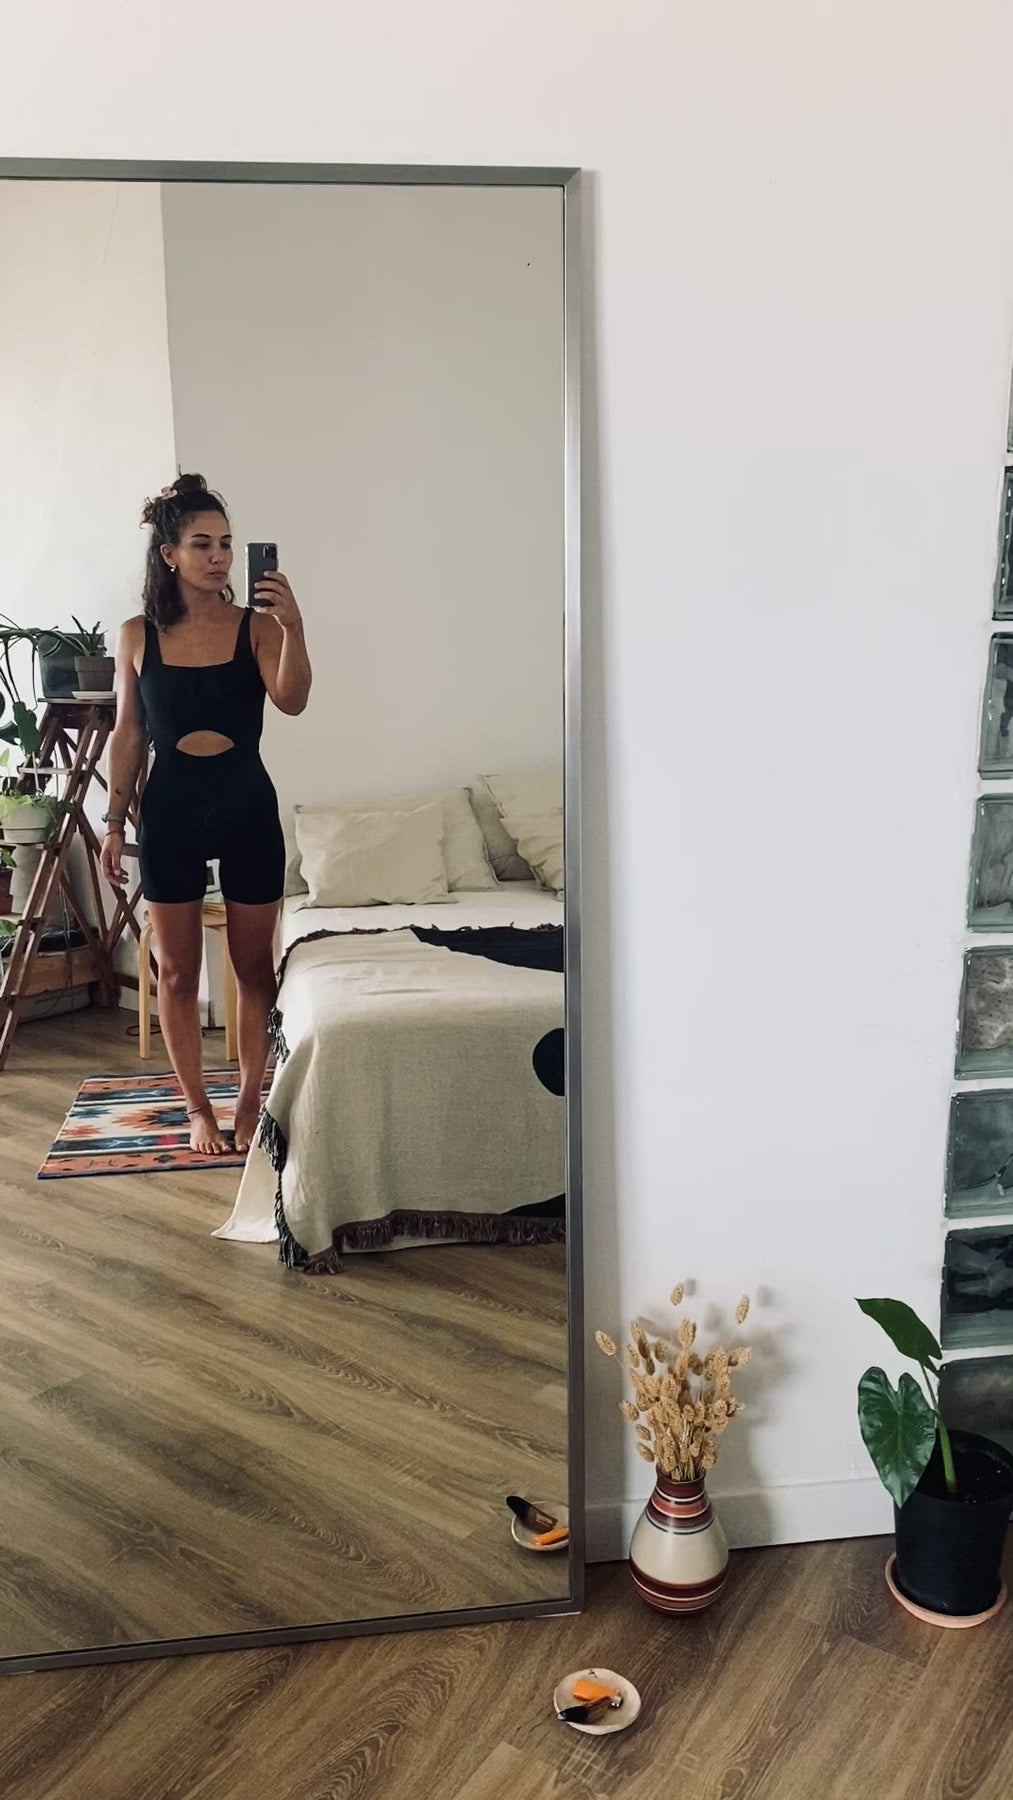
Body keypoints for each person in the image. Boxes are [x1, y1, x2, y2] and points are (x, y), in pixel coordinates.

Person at [101, 475, 312, 1155]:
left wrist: (293, 627)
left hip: (246, 802)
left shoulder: (256, 626)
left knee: (254, 970)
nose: (219, 556)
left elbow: (292, 700)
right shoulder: (137, 635)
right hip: (171, 807)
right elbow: (128, 733)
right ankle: (196, 1108)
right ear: (169, 554)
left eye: (225, 543)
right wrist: (113, 822)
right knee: (178, 973)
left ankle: (249, 1099)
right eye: (202, 544)